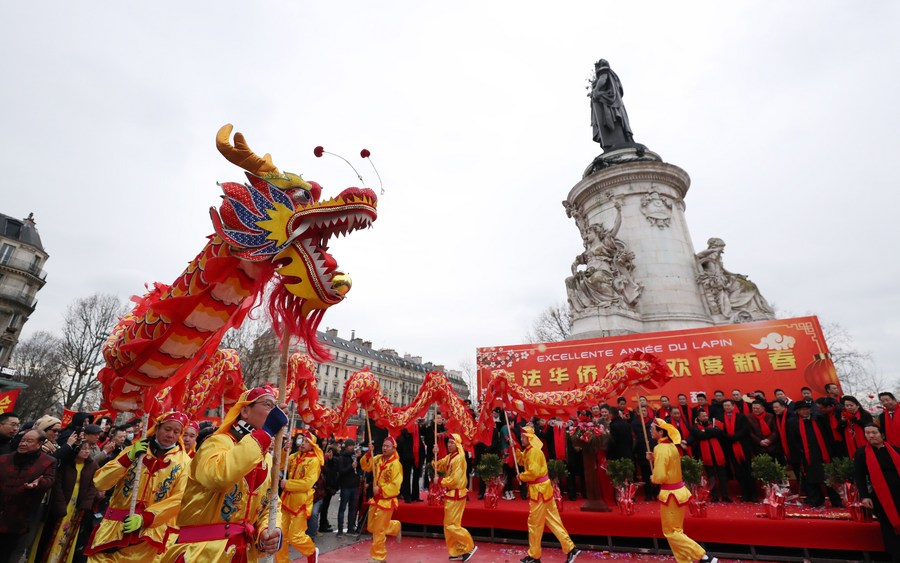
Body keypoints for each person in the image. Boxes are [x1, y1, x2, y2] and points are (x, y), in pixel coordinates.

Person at [161, 387, 287, 563]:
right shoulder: (216, 442)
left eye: (277, 407)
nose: (275, 412)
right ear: (244, 410)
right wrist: (265, 433)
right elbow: (219, 477)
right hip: (201, 554)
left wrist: (268, 530)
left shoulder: (265, 458)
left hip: (244, 555)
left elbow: (270, 504)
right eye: (268, 405)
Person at [86, 411, 193, 562]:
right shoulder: (133, 450)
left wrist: (145, 518)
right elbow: (101, 482)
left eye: (176, 432)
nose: (171, 435)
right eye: (167, 429)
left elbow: (179, 499)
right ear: (157, 429)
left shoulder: (185, 463)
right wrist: (127, 459)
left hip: (148, 537)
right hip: (113, 530)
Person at [646, 419, 717, 563]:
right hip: (678, 492)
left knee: (671, 532)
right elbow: (669, 463)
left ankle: (703, 556)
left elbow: (660, 476)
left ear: (660, 432)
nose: (650, 431)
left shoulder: (660, 448)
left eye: (653, 429)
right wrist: (654, 459)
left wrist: (653, 477)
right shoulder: (671, 446)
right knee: (676, 531)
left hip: (670, 495)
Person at [513, 424, 580, 563]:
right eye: (521, 437)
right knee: (553, 521)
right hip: (543, 491)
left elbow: (533, 473)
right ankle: (570, 548)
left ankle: (534, 556)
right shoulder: (530, 451)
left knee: (534, 524)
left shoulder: (533, 452)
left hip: (539, 491)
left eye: (523, 437)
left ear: (530, 438)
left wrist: (521, 477)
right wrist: (516, 450)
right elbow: (522, 461)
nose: (522, 439)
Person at [0, 428, 57, 561]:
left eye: (29, 441)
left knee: (6, 553)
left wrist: (38, 484)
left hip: (19, 516)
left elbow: (49, 480)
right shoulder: (4, 459)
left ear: (39, 444)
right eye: (23, 440)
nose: (23, 443)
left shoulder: (48, 461)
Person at [43, 440, 100, 563]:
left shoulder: (92, 465)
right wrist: (60, 503)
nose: (86, 451)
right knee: (55, 533)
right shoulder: (66, 464)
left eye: (88, 449)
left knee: (70, 535)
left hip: (78, 505)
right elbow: (57, 484)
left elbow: (94, 485)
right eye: (83, 449)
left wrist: (86, 504)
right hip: (63, 502)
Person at [854, 423, 900, 561]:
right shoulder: (861, 453)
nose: (871, 436)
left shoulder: (896, 450)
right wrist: (865, 496)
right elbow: (860, 476)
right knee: (888, 527)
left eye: (874, 432)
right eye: (867, 433)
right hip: (881, 496)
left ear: (882, 435)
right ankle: (895, 555)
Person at [276, 430, 323, 563]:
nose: (303, 443)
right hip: (286, 500)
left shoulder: (314, 461)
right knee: (281, 535)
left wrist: (288, 484)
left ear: (312, 445)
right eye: (302, 440)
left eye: (306, 442)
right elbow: (280, 465)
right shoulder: (295, 456)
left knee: (295, 536)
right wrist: (285, 450)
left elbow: (308, 483)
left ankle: (312, 551)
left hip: (300, 503)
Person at [432, 433, 476, 561]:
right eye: (448, 442)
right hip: (451, 494)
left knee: (451, 525)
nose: (449, 444)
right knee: (449, 525)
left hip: (456, 493)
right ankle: (459, 550)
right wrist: (435, 454)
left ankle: (469, 546)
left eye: (452, 443)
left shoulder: (459, 458)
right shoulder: (450, 457)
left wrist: (441, 481)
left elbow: (455, 479)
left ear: (457, 444)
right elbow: (438, 465)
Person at [360, 436, 403, 563]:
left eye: (387, 446)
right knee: (372, 527)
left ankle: (378, 557)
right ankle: (395, 526)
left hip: (386, 500)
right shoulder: (378, 458)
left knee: (378, 530)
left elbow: (396, 484)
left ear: (393, 448)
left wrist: (381, 490)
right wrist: (368, 453)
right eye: (384, 446)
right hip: (376, 499)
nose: (384, 448)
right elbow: (365, 466)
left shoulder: (396, 464)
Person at [788, 403, 833, 507]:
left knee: (828, 477)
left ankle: (835, 500)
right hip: (806, 455)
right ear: (798, 411)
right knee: (811, 479)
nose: (805, 411)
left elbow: (827, 434)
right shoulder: (793, 422)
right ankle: (815, 500)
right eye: (802, 410)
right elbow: (792, 439)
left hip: (822, 453)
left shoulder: (818, 419)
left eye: (807, 409)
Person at [589, 59, 634, 149]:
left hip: (610, 102)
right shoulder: (612, 76)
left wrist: (596, 90)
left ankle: (617, 139)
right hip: (614, 101)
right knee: (622, 119)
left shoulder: (604, 71)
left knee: (616, 118)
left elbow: (603, 79)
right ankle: (627, 137)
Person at [335, 439, 360, 535]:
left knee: (352, 508)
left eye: (353, 445)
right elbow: (341, 471)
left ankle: (350, 528)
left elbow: (360, 469)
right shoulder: (342, 457)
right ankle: (340, 530)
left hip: (354, 485)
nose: (352, 447)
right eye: (351, 445)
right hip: (346, 486)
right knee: (342, 508)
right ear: (347, 446)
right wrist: (351, 466)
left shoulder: (355, 456)